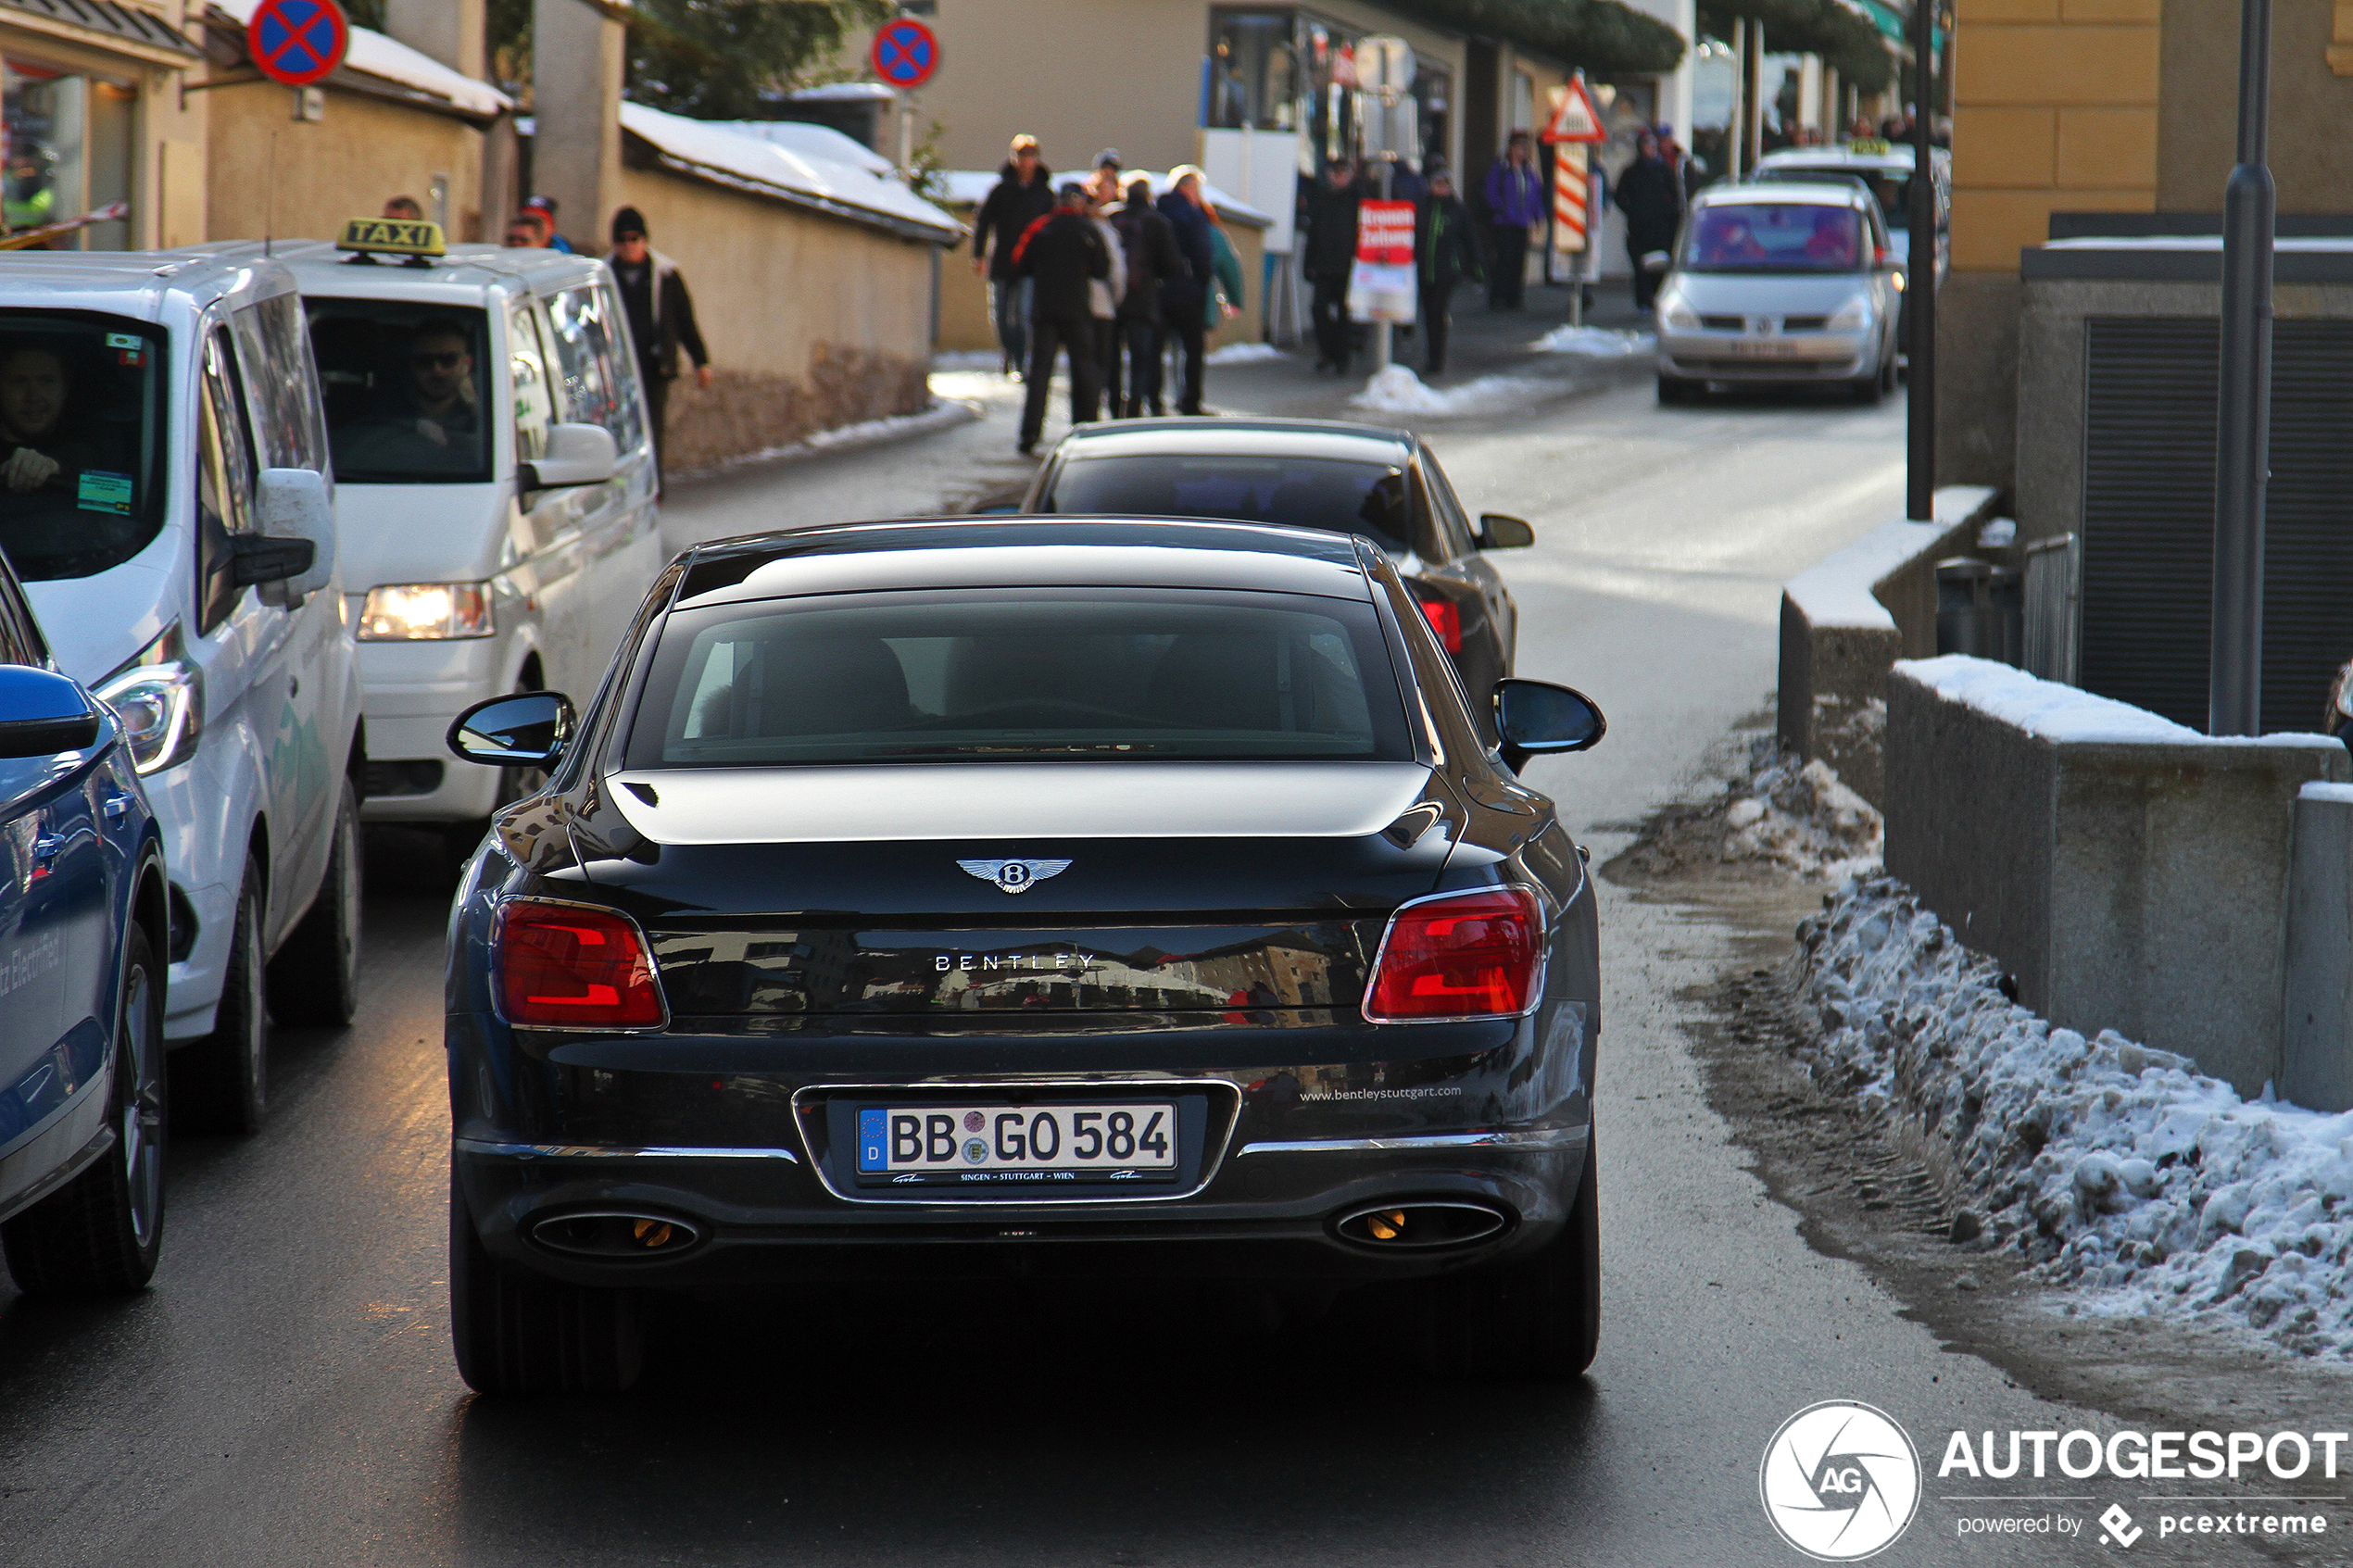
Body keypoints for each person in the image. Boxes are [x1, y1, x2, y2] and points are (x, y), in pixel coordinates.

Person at [607, 206, 711, 482]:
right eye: (621, 240)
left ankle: (652, 486)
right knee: (617, 429)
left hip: (654, 367)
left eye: (634, 239)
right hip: (615, 368)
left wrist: (701, 361)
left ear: (644, 240)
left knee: (651, 430)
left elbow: (685, 321)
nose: (628, 246)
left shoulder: (665, 274)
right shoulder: (603, 275)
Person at [1012, 181, 1108, 454]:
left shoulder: (1041, 227)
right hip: (1077, 309)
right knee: (1083, 370)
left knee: (1040, 372)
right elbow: (1102, 269)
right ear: (1078, 202)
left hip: (1044, 310)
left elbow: (1020, 262)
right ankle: (1086, 428)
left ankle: (1029, 434)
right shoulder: (1088, 230)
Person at [973, 135, 1056, 377]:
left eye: (1030, 157)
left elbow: (1051, 229)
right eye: (1021, 157)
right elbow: (983, 222)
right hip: (1001, 261)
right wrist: (978, 254)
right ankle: (1008, 352)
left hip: (1030, 265)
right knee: (1000, 316)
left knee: (1022, 314)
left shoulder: (1044, 194)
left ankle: (1021, 360)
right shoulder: (1001, 191)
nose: (1025, 162)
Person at [1109, 176, 1182, 417]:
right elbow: (1171, 265)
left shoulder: (1111, 218)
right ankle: (1135, 407)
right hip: (1143, 299)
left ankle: (1113, 406)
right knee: (1143, 358)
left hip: (1112, 299)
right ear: (1148, 195)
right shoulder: (1158, 223)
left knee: (1112, 359)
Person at [1155, 168, 1216, 414]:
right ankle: (1189, 400)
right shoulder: (1193, 215)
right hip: (1189, 290)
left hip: (1160, 290)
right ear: (1186, 187)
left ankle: (1154, 400)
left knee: (1156, 349)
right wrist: (1202, 280)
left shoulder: (1159, 211)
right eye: (1196, 188)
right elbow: (1203, 252)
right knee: (1192, 349)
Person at [1414, 166, 1484, 377]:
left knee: (1438, 312)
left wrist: (1478, 269)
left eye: (1445, 184)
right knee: (1428, 314)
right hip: (1424, 269)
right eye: (1438, 184)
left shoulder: (1457, 210)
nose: (1441, 188)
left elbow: (1471, 240)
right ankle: (1432, 355)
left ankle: (1437, 359)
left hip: (1447, 271)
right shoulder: (1422, 207)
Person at [1302, 156, 1360, 374]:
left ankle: (1341, 357)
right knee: (1318, 309)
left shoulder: (1356, 199)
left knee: (1346, 314)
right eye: (1335, 174)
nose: (1339, 178)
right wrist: (1308, 263)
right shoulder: (1322, 199)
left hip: (1349, 267)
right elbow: (1313, 235)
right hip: (1325, 266)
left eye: (1343, 174)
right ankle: (1326, 352)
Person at [1615, 128, 1683, 310]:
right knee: (1640, 267)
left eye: (1653, 146)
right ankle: (1643, 301)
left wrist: (1668, 213)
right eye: (1647, 145)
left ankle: (1658, 298)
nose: (1650, 149)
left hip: (1661, 228)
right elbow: (1620, 196)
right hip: (1639, 228)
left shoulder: (1664, 170)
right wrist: (1632, 211)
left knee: (1659, 266)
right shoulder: (1631, 172)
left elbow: (1676, 195)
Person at [1081, 173, 1126, 420]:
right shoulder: (1104, 230)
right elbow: (1117, 270)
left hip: (1076, 307)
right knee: (1101, 364)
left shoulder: (1074, 226)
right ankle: (1097, 414)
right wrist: (1115, 299)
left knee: (1082, 365)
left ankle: (1085, 415)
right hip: (1102, 307)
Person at [1482, 132, 1543, 309]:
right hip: (1504, 223)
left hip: (1522, 223)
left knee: (1518, 261)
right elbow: (1491, 192)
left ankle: (1514, 296)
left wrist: (1537, 216)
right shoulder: (1501, 169)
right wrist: (1501, 209)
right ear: (1511, 149)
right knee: (1503, 260)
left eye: (1525, 148)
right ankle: (1498, 296)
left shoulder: (1528, 172)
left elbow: (1534, 195)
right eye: (1519, 147)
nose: (1522, 151)